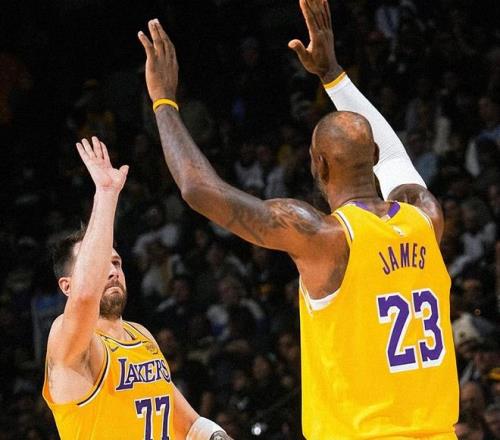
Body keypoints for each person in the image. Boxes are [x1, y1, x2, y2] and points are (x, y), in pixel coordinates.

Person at [137, 0, 459, 437]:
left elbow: (198, 190)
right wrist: (334, 76)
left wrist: (163, 102)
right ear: (371, 156)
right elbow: (395, 156)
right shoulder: (424, 216)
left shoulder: (325, 236)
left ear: (317, 165)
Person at [42, 136, 232, 440]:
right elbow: (85, 296)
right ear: (67, 286)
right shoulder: (67, 338)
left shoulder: (141, 335)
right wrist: (106, 194)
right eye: (99, 264)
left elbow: (190, 425)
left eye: (116, 262)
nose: (111, 270)